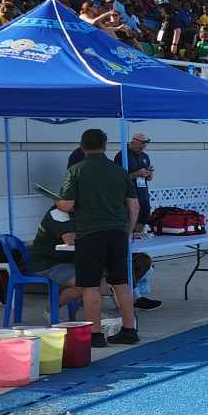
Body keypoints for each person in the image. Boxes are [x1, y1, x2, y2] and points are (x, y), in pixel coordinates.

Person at [62, 127, 141, 347]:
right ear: (104, 146)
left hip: (90, 234)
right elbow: (134, 206)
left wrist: (59, 203)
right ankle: (129, 329)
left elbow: (68, 204)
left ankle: (95, 335)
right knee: (121, 283)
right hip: (117, 233)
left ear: (82, 145)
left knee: (90, 286)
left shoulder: (76, 171)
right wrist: (128, 232)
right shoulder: (119, 171)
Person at [113, 132, 154, 236]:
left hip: (143, 194)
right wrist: (136, 174)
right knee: (130, 219)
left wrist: (149, 175)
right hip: (128, 196)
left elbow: (149, 177)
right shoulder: (122, 156)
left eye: (145, 145)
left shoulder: (144, 156)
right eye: (141, 144)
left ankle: (136, 237)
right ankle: (129, 241)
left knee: (144, 216)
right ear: (133, 142)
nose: (143, 147)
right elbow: (117, 178)